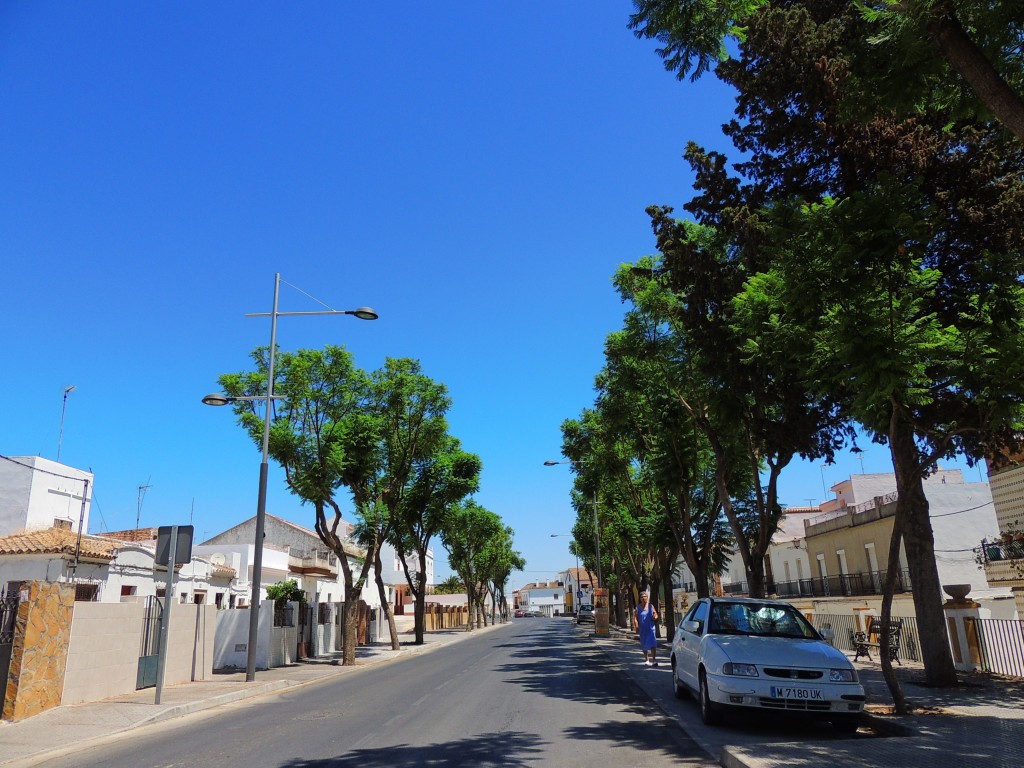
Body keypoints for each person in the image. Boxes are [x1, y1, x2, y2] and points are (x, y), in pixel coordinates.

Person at [636, 591, 659, 666]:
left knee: (653, 644)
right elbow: (635, 618)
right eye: (642, 597)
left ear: (647, 598)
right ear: (640, 598)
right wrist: (636, 625)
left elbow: (655, 614)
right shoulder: (638, 607)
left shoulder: (651, 606)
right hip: (643, 629)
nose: (643, 598)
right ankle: (647, 660)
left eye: (645, 596)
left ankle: (654, 660)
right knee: (644, 643)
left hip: (651, 628)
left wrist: (655, 617)